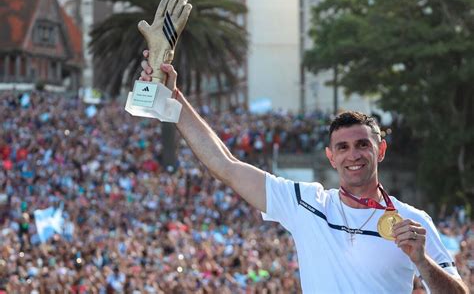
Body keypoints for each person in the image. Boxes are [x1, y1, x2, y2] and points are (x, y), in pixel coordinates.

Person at [138, 52, 468, 293]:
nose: (353, 154)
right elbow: (227, 166)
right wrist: (175, 99)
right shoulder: (307, 203)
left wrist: (422, 262)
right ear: (330, 157)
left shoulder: (413, 222)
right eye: (342, 147)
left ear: (380, 151)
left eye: (362, 145)